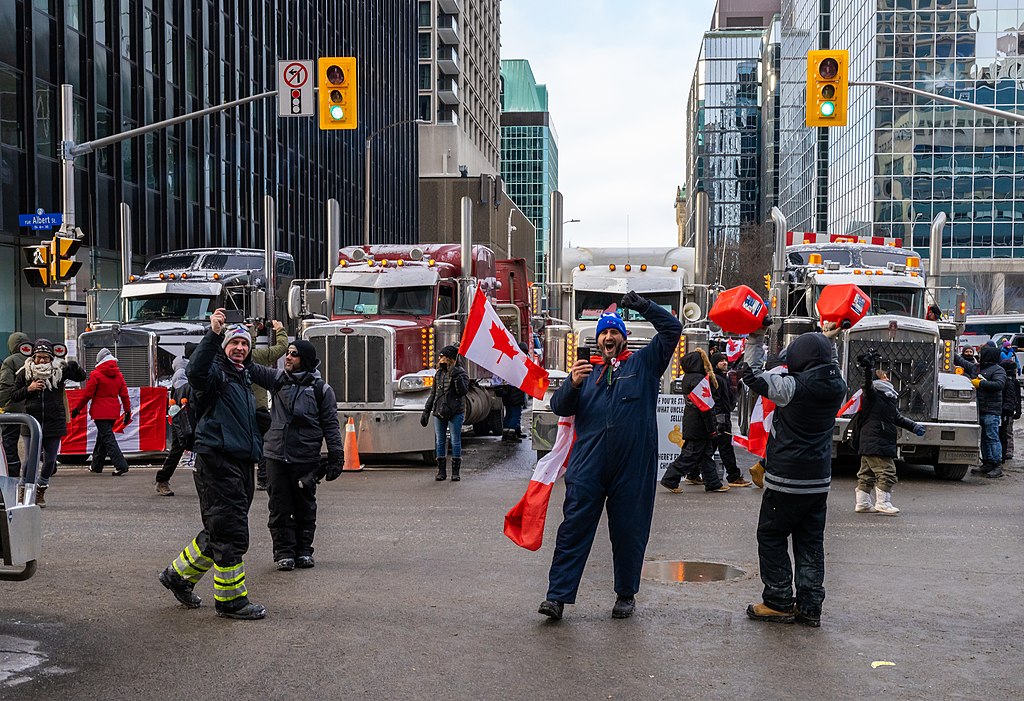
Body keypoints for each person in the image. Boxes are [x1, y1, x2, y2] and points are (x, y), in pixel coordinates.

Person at [538, 291, 681, 621]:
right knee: (573, 530)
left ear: (624, 337)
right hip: (588, 467)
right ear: (597, 339)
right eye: (603, 332)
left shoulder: (644, 365)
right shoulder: (585, 373)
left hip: (632, 468)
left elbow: (672, 329)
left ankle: (626, 594)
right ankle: (556, 597)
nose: (608, 337)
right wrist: (571, 384)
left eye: (614, 331)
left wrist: (642, 305)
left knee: (629, 532)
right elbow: (559, 407)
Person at [158, 309, 278, 621]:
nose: (240, 347)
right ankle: (231, 601)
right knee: (230, 533)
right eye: (233, 343)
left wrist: (257, 423)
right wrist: (212, 334)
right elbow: (196, 371)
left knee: (220, 529)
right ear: (223, 346)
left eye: (244, 344)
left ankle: (178, 576)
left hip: (239, 462)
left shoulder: (242, 375)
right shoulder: (213, 373)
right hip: (218, 462)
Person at [738, 323, 847, 627]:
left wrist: (756, 337)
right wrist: (830, 338)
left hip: (786, 480)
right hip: (818, 482)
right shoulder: (839, 385)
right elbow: (830, 362)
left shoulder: (791, 387)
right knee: (810, 543)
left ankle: (778, 600)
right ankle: (811, 607)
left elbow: (753, 374)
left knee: (771, 536)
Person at [263, 340, 343, 571]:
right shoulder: (277, 380)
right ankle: (284, 553)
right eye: (287, 353)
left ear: (304, 360)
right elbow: (252, 366)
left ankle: (304, 551)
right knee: (279, 506)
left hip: (306, 457)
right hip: (275, 456)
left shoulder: (321, 390)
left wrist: (337, 456)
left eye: (293, 355)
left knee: (304, 506)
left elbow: (330, 424)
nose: (287, 358)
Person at [10, 339, 87, 507]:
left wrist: (74, 366)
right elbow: (14, 395)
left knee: (51, 460)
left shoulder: (59, 370)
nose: (42, 361)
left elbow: (82, 377)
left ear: (52, 357)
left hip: (54, 421)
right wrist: (28, 389)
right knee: (30, 459)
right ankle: (24, 490)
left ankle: (40, 490)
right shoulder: (25, 372)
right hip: (31, 421)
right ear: (33, 356)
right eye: (38, 357)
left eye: (46, 357)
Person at [851, 364, 926, 516]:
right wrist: (868, 369)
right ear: (876, 380)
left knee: (867, 473)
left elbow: (896, 418)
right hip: (876, 440)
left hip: (875, 440)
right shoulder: (872, 395)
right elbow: (866, 384)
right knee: (887, 471)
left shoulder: (887, 397)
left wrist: (914, 427)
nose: (887, 378)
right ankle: (883, 503)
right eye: (883, 376)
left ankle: (863, 503)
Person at [660, 348, 729, 493]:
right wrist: (711, 428)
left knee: (705, 455)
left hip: (693, 422)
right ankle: (670, 478)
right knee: (690, 455)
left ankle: (713, 483)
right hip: (700, 425)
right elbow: (705, 407)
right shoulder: (699, 380)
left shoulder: (689, 377)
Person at [70, 348, 132, 476]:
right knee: (103, 437)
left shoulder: (96, 374)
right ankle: (96, 465)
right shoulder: (119, 375)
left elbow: (88, 394)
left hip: (100, 411)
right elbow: (124, 395)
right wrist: (127, 412)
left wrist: (78, 408)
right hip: (114, 411)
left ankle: (121, 465)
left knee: (108, 438)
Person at [154, 342, 199, 496]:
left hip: (187, 415)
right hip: (181, 417)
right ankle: (162, 480)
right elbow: (182, 394)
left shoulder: (189, 369)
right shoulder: (182, 372)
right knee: (177, 450)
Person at [421, 345, 469, 481]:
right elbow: (433, 394)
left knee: (455, 440)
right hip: (439, 411)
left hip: (455, 412)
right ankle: (441, 471)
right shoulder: (438, 374)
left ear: (450, 358)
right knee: (440, 441)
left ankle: (455, 472)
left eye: (442, 356)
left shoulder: (460, 372)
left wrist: (457, 378)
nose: (440, 358)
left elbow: (463, 392)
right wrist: (426, 411)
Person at [253, 320, 288, 491]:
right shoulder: (257, 356)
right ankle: (262, 478)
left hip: (237, 409)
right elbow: (281, 347)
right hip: (258, 407)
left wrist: (254, 332)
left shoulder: (225, 357)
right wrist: (279, 329)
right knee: (263, 443)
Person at [0, 332, 31, 477]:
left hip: (13, 408)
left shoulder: (9, 361)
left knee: (10, 441)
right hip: (32, 408)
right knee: (33, 440)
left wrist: (3, 403)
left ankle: (12, 469)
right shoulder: (36, 359)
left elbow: (6, 385)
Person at [972, 345, 1006, 478]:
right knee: (984, 438)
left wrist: (980, 384)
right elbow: (963, 363)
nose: (979, 356)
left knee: (992, 437)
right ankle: (987, 463)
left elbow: (999, 385)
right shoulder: (979, 368)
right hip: (981, 409)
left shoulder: (999, 370)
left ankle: (997, 465)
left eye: (981, 354)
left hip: (992, 410)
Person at [498, 342, 529, 443]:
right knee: (516, 414)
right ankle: (511, 435)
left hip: (507, 391)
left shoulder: (510, 359)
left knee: (509, 413)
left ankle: (506, 434)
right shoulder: (522, 361)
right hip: (516, 391)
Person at [998, 357, 1020, 464]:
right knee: (1007, 431)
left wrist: (1017, 410)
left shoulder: (1011, 381)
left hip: (1007, 410)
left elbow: (1017, 397)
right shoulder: (1008, 380)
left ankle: (1008, 451)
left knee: (1007, 431)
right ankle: (1006, 450)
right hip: (1007, 410)